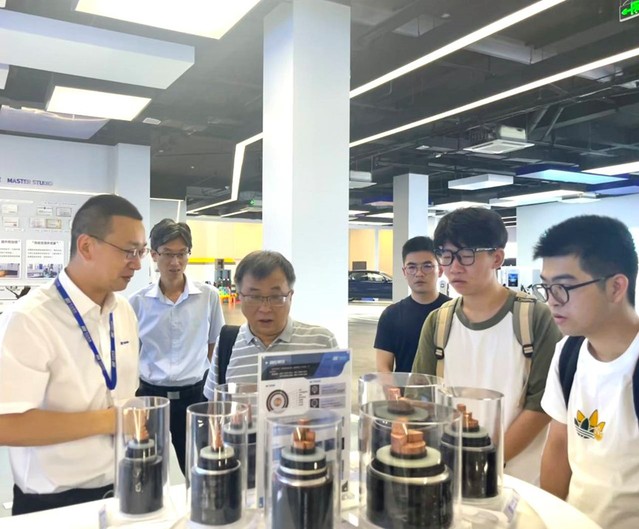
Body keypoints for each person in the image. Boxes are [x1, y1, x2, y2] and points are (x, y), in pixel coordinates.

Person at [0, 194, 146, 515]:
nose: (137, 264)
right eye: (128, 251)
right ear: (86, 246)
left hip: (123, 485)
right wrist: (110, 421)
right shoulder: (30, 318)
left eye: (141, 252)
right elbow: (6, 424)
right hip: (54, 504)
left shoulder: (123, 311)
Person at [412, 207, 562, 483]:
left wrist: (488, 460)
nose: (454, 267)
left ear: (497, 258)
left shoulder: (534, 318)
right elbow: (422, 396)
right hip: (453, 473)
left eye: (466, 255)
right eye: (446, 255)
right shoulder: (438, 322)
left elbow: (542, 404)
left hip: (520, 478)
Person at [533, 215, 639, 529]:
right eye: (546, 287)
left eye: (564, 287)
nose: (551, 301)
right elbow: (558, 445)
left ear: (616, 287)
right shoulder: (567, 353)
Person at [129, 219, 224, 474]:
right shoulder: (137, 302)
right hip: (150, 396)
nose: (175, 262)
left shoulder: (208, 297)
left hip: (195, 396)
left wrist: (214, 394)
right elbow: (131, 353)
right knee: (145, 468)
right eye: (168, 254)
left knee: (199, 468)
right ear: (153, 255)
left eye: (182, 254)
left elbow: (214, 346)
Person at [203, 250, 338, 397]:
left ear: (290, 296)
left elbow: (336, 403)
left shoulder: (322, 342)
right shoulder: (227, 343)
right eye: (254, 297)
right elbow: (214, 406)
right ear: (240, 296)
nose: (265, 308)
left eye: (276, 297)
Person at [374, 236, 450, 372]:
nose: (419, 273)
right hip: (404, 386)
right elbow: (383, 366)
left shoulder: (453, 311)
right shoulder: (391, 315)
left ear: (440, 270)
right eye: (412, 267)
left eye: (427, 266)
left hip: (445, 386)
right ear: (404, 272)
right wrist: (392, 386)